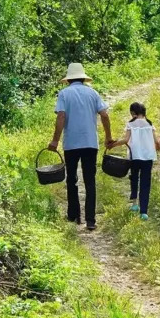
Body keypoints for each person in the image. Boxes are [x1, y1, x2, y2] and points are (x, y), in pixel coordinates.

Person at [49, 63, 112, 230]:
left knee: (72, 179)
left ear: (68, 79)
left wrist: (55, 140)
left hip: (71, 144)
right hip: (90, 143)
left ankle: (74, 216)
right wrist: (108, 137)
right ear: (83, 78)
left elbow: (61, 116)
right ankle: (91, 221)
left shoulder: (64, 94)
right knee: (90, 180)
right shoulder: (93, 93)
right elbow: (104, 115)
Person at [108, 102, 157, 220]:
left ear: (133, 113)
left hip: (134, 156)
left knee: (134, 178)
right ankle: (144, 211)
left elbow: (125, 140)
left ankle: (135, 203)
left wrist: (113, 144)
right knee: (146, 183)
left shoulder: (131, 124)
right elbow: (157, 142)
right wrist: (158, 147)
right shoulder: (150, 124)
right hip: (148, 157)